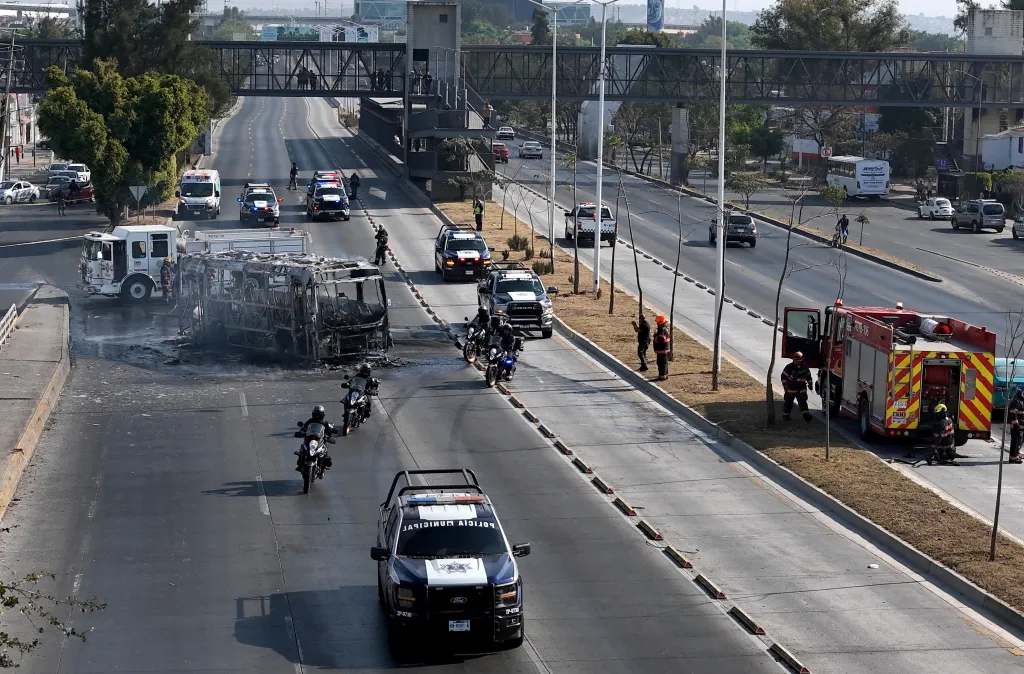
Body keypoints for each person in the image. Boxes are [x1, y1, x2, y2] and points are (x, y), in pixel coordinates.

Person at [296, 405, 334, 472]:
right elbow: (303, 428)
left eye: (318, 414)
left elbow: (329, 431)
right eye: (316, 414)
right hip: (309, 438)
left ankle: (323, 467)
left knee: (324, 451)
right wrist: (301, 432)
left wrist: (330, 436)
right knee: (302, 448)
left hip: (320, 440)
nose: (317, 416)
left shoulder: (324, 423)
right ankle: (300, 464)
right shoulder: (310, 421)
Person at [781, 352, 813, 422]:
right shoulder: (788, 367)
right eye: (796, 361)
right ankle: (786, 417)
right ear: (793, 359)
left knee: (803, 403)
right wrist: (785, 386)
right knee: (788, 403)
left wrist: (810, 384)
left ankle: (807, 418)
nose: (797, 362)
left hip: (801, 389)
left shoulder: (805, 367)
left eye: (799, 361)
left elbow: (808, 376)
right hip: (791, 389)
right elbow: (783, 377)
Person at [653, 315, 671, 381]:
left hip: (662, 349)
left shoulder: (661, 330)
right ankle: (665, 375)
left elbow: (661, 338)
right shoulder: (665, 328)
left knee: (661, 363)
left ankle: (662, 376)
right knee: (664, 363)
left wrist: (655, 335)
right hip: (664, 349)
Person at [1009, 388, 1024, 464]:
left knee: (1019, 440)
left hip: (1021, 424)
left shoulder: (1020, 400)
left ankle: (1016, 455)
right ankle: (1013, 457)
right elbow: (1013, 413)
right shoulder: (1016, 401)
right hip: (1017, 425)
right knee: (1016, 441)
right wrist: (1015, 424)